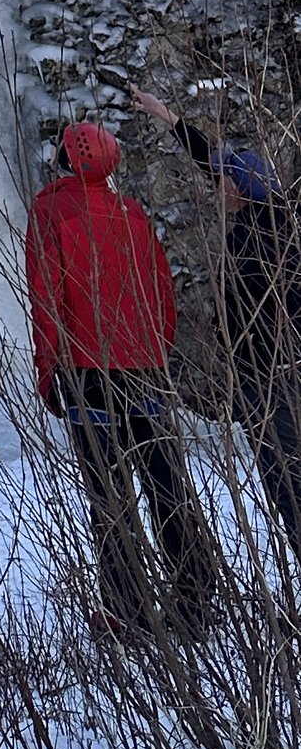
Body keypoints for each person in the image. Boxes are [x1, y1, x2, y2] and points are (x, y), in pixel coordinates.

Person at [25, 119, 220, 631]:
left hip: (88, 370)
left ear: (67, 160)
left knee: (110, 495)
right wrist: (156, 353)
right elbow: (162, 295)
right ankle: (197, 594)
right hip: (146, 368)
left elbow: (47, 297)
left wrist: (49, 370)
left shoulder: (50, 210)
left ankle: (127, 610)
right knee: (166, 484)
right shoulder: (132, 214)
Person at [131, 80, 301, 549]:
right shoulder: (277, 214)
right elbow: (213, 158)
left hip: (271, 378)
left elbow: (263, 312)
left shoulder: (257, 240)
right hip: (269, 372)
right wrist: (164, 115)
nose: (218, 185)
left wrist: (232, 340)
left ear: (242, 191)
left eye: (227, 182)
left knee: (287, 484)